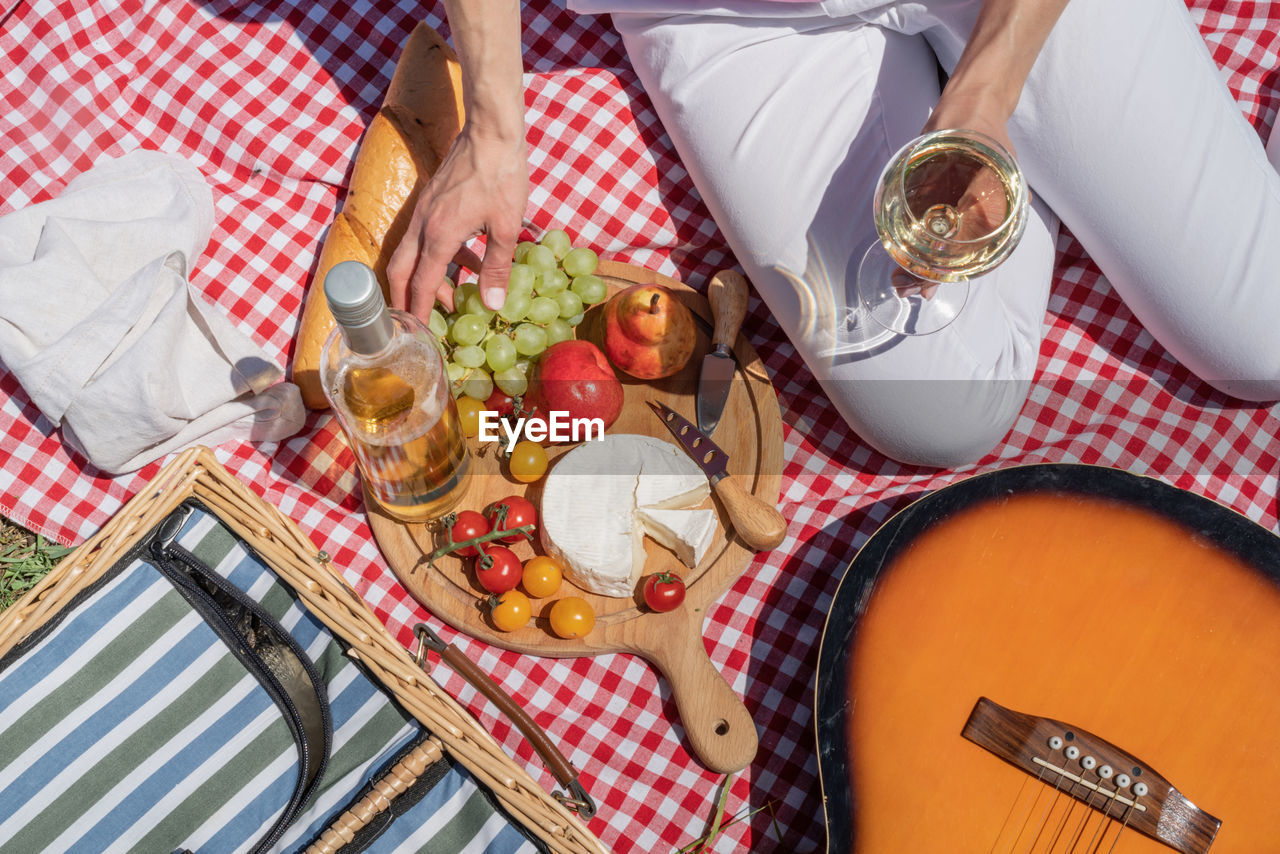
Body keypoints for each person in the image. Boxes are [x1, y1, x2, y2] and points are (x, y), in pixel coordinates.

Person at [390, 0, 1280, 468]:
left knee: (1262, 343)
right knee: (934, 415)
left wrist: (988, 91)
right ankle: (1028, 162)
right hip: (727, 16)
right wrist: (495, 129)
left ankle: (1013, 127)